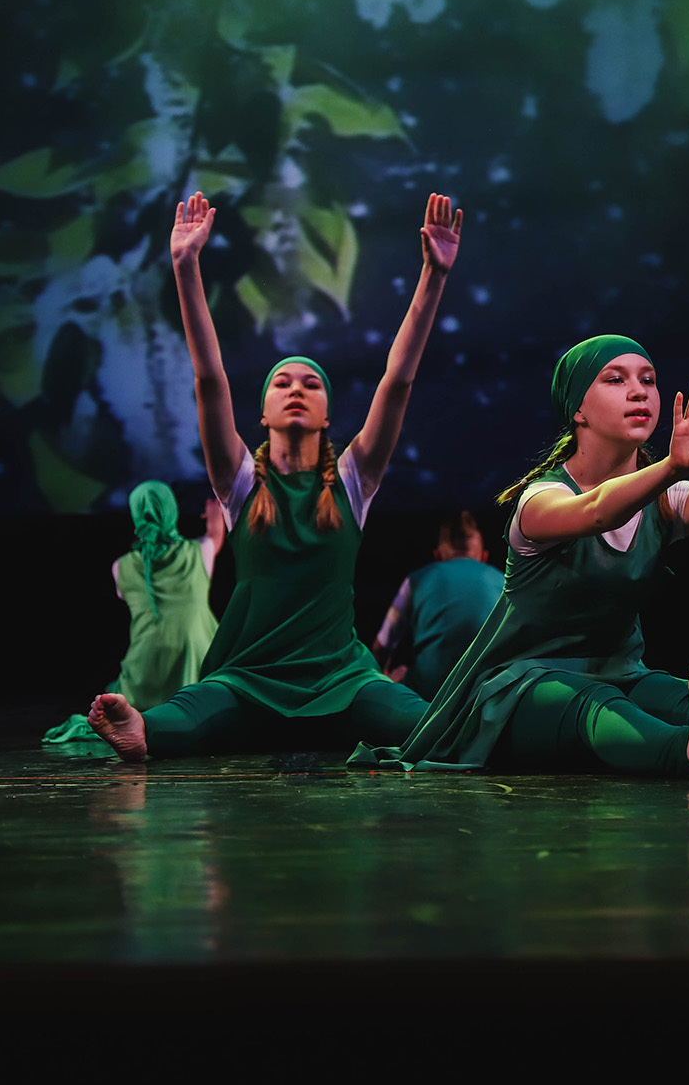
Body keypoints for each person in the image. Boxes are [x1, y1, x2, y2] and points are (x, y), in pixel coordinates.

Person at [350, 336, 689, 778]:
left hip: (620, 672)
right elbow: (597, 511)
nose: (639, 391)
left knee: (672, 697)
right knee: (592, 705)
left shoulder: (664, 502)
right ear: (577, 410)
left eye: (648, 380)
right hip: (519, 691)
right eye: (615, 379)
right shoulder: (540, 501)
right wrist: (670, 467)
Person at [87, 192, 460, 760]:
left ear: (328, 414)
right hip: (251, 676)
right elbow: (209, 379)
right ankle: (142, 729)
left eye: (311, 385)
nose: (296, 390)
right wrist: (185, 267)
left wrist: (434, 275)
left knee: (426, 723)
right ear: (262, 412)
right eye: (282, 383)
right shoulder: (241, 483)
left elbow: (398, 381)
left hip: (340, 677)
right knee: (193, 709)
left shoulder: (353, 481)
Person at [43, 481, 224, 745]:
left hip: (144, 672)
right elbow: (215, 534)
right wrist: (215, 509)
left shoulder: (121, 566)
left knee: (114, 693)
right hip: (195, 666)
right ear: (171, 510)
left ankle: (143, 716)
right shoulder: (200, 551)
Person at [372, 510, 504, 700]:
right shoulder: (503, 582)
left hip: (429, 695)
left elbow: (380, 648)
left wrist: (383, 681)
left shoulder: (418, 579)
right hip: (487, 695)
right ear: (484, 557)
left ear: (437, 556)